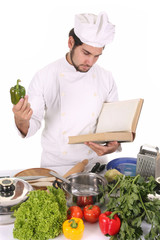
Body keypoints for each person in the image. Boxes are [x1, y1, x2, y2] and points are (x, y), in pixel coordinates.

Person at [12, 11, 120, 174]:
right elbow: (31, 125)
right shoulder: (45, 76)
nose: (90, 62)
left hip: (95, 165)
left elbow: (113, 126)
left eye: (97, 56)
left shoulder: (106, 77)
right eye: (86, 53)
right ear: (71, 43)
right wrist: (20, 119)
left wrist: (114, 145)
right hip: (57, 167)